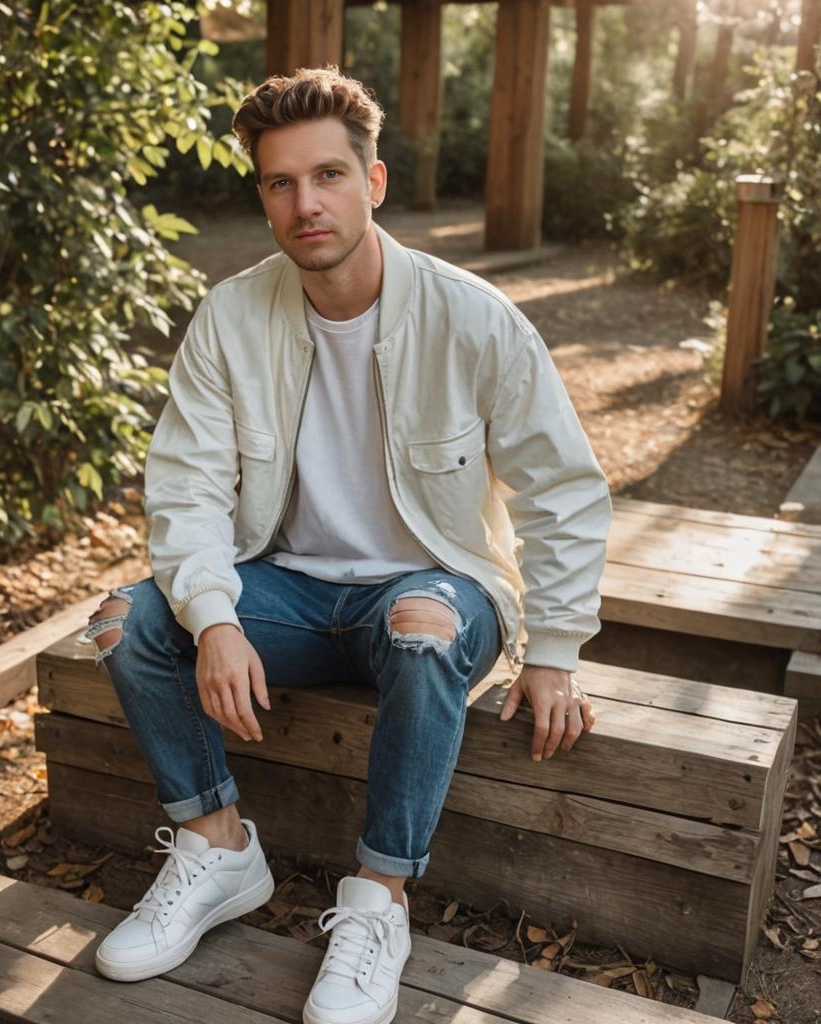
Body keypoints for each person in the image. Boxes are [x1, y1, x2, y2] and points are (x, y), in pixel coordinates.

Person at [84, 65, 612, 1024]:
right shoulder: (231, 316)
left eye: (328, 176)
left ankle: (377, 903)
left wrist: (559, 653)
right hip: (282, 588)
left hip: (433, 592)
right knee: (129, 621)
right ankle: (218, 849)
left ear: (372, 184)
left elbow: (562, 490)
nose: (305, 203)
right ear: (264, 196)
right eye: (281, 182)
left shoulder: (474, 318)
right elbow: (188, 489)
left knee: (416, 623)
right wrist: (213, 619)